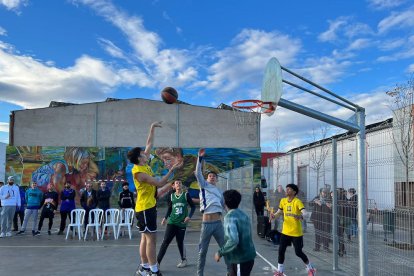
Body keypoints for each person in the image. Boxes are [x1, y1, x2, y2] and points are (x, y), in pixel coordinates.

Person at [129, 121, 180, 276]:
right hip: (145, 208)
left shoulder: (143, 164)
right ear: (139, 158)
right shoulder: (140, 173)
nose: (146, 153)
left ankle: (144, 268)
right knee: (151, 240)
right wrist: (172, 168)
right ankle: (153, 270)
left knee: (145, 238)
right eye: (143, 153)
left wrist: (151, 127)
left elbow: (149, 143)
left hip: (145, 207)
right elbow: (159, 183)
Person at [195, 148, 230, 276]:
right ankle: (199, 274)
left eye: (214, 176)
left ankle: (230, 271)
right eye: (210, 176)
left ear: (216, 179)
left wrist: (231, 217)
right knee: (202, 251)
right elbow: (197, 172)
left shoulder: (219, 192)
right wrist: (200, 158)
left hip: (218, 224)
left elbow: (225, 207)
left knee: (225, 248)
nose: (212, 177)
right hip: (206, 225)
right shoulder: (203, 185)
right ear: (206, 178)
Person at [270, 183, 316, 276]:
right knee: (281, 250)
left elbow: (306, 213)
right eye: (286, 189)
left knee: (298, 252)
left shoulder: (297, 202)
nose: (286, 190)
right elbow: (279, 212)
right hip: (285, 231)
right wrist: (274, 216)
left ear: (294, 192)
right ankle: (280, 271)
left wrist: (300, 216)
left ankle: (311, 268)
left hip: (296, 233)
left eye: (289, 189)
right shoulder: (283, 201)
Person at [214, 189, 256, 276]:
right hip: (248, 257)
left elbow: (233, 240)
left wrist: (220, 252)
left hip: (240, 259)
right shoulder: (243, 214)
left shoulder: (230, 217)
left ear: (225, 202)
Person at [157, 180, 196, 268]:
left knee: (180, 242)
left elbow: (193, 206)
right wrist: (165, 218)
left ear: (182, 185)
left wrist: (189, 216)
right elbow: (170, 208)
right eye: (176, 183)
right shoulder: (171, 196)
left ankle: (183, 260)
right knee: (165, 242)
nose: (178, 184)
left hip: (181, 223)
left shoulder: (186, 195)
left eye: (180, 183)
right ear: (173, 186)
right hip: (172, 222)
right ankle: (157, 263)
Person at [310, 188, 332, 252]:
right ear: (320, 192)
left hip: (326, 219)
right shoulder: (317, 197)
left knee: (326, 233)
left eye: (326, 192)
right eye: (323, 192)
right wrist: (315, 201)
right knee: (317, 233)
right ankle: (317, 247)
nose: (324, 194)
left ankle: (326, 248)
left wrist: (329, 206)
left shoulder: (329, 199)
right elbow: (309, 204)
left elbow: (332, 208)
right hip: (317, 218)